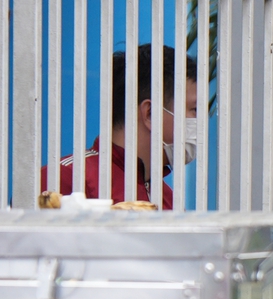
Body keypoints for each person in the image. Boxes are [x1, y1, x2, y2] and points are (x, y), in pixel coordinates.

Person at [50, 44, 200, 208]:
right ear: (151, 113)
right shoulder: (64, 179)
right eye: (194, 109)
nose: (200, 121)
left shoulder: (168, 198)